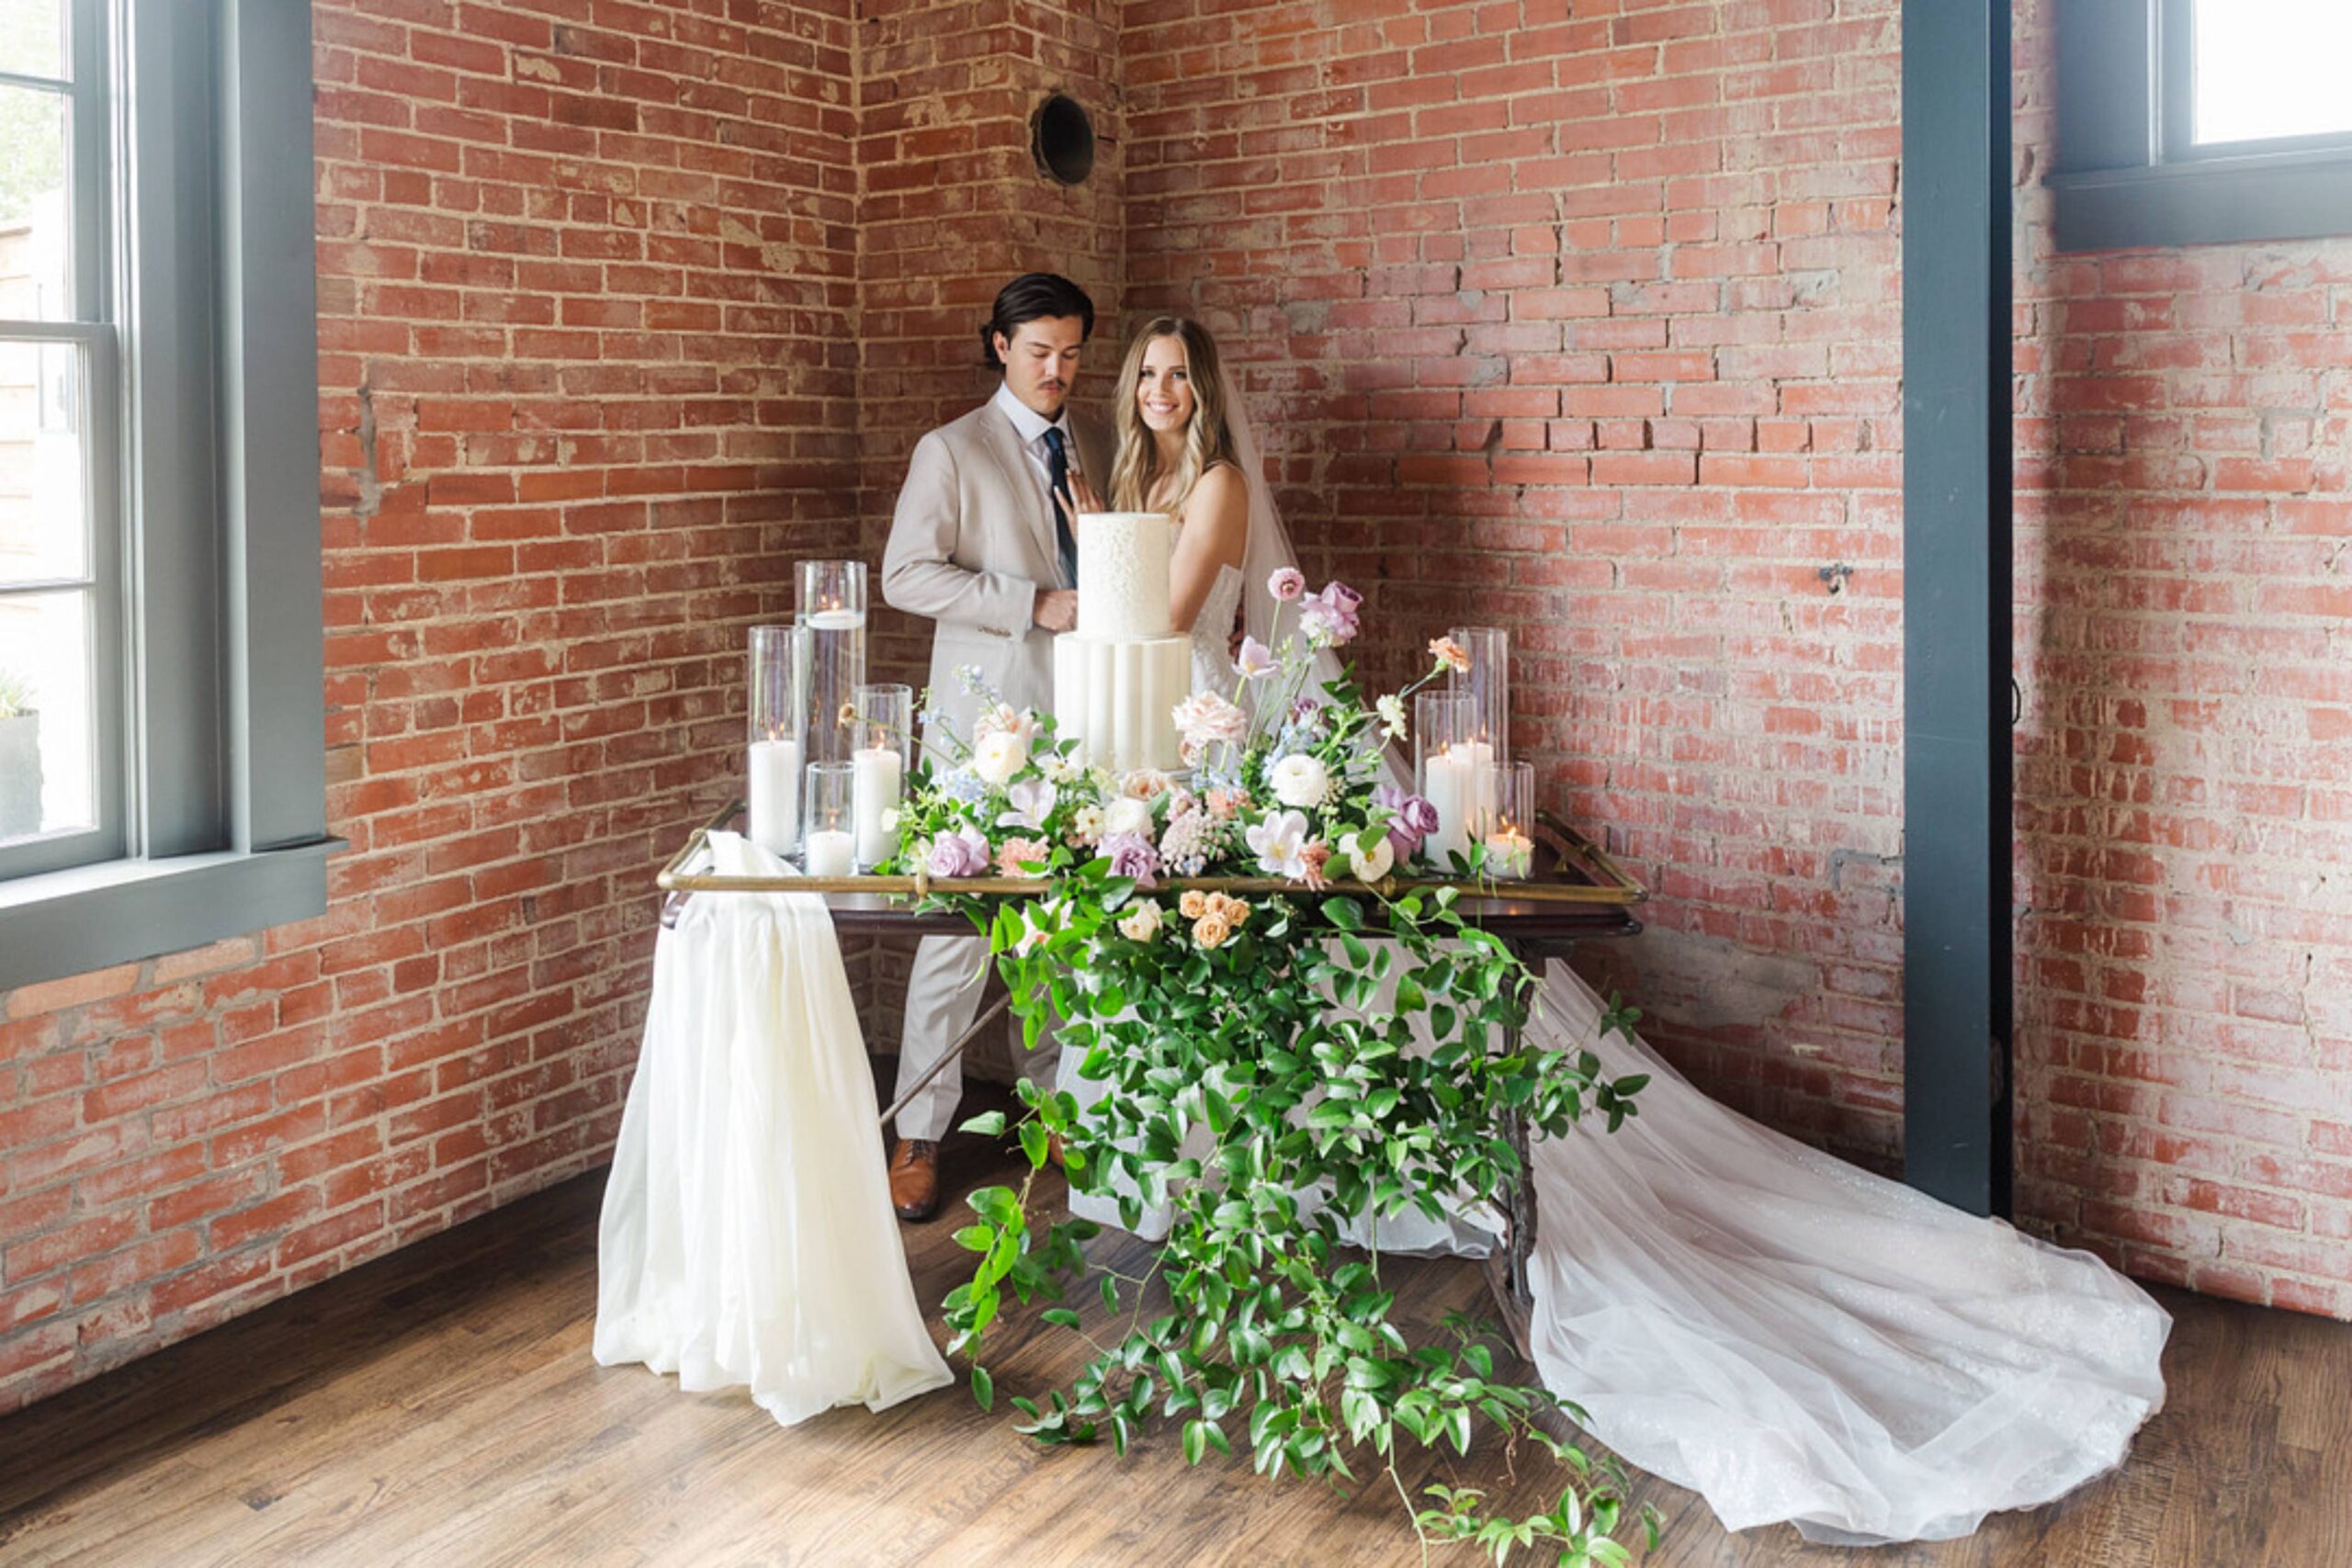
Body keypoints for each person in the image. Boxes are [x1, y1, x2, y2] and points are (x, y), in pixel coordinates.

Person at [1065, 316, 2172, 1544]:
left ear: (1204, 390)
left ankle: (1440, 1168)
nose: (1161, 389)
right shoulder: (1138, 479)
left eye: (1178, 373)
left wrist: (1072, 610)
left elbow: (1160, 620)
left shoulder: (1212, 481)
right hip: (1202, 744)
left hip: (1262, 739)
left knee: (1388, 969)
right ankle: (1306, 1166)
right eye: (1147, 375)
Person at [878, 273, 1109, 1221]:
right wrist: (1032, 604)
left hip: (1079, 725)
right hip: (982, 732)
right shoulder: (951, 450)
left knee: (1055, 930)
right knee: (956, 941)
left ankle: (1052, 1110)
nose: (1057, 370)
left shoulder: (1085, 444)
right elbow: (904, 575)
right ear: (999, 347)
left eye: (1070, 353)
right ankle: (918, 1132)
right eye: (1039, 351)